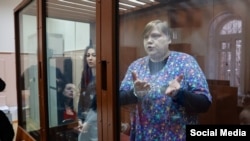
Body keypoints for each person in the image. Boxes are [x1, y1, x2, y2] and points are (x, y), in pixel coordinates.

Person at [119, 20, 212, 141]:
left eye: (156, 36)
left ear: (169, 39)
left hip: (177, 136)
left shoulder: (185, 62)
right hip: (144, 136)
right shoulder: (136, 66)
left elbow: (204, 103)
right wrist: (134, 94)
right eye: (145, 37)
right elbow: (119, 99)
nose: (149, 41)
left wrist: (179, 94)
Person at [78, 46, 96, 121]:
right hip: (85, 115)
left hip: (95, 118)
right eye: (88, 55)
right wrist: (79, 118)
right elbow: (81, 97)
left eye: (94, 55)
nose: (90, 58)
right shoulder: (85, 74)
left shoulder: (103, 76)